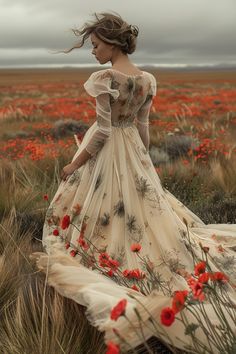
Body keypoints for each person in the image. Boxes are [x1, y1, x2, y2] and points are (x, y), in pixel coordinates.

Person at [31, 12, 236, 353]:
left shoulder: (105, 77)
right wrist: (142, 159)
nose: (93, 51)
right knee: (140, 212)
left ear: (112, 42)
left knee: (94, 210)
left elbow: (102, 131)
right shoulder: (147, 80)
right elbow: (144, 127)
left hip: (108, 152)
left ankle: (103, 258)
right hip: (134, 153)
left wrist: (73, 163)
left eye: (95, 45)